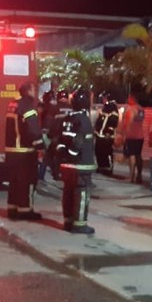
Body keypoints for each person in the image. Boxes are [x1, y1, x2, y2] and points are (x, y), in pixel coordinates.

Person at [4, 82, 46, 220]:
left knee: (14, 182)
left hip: (11, 151)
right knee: (27, 182)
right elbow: (33, 130)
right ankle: (25, 211)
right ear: (29, 91)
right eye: (34, 90)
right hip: (25, 152)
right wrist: (41, 147)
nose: (35, 93)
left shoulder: (13, 105)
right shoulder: (28, 107)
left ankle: (12, 209)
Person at [58, 89, 96, 234]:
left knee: (68, 192)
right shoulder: (84, 120)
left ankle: (68, 221)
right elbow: (78, 142)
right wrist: (73, 155)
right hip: (81, 165)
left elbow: (60, 139)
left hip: (66, 165)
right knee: (81, 193)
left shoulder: (67, 118)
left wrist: (64, 155)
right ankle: (79, 224)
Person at [118, 93, 147, 183]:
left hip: (131, 136)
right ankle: (139, 175)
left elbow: (128, 123)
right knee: (138, 155)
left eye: (129, 98)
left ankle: (131, 177)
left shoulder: (131, 109)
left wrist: (124, 135)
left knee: (131, 155)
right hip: (140, 136)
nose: (128, 100)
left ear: (132, 99)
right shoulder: (141, 109)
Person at [47, 91, 73, 181]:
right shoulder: (71, 107)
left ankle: (56, 173)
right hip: (69, 136)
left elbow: (50, 122)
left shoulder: (54, 107)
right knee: (67, 155)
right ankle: (66, 174)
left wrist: (50, 134)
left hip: (57, 135)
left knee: (54, 155)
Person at [94, 94, 119, 174]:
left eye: (104, 98)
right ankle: (101, 166)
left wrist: (108, 132)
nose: (103, 100)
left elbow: (113, 121)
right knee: (99, 151)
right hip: (100, 134)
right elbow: (101, 119)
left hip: (107, 136)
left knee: (107, 151)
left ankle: (108, 168)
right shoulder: (105, 107)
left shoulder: (112, 108)